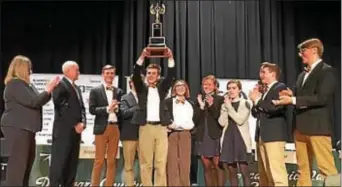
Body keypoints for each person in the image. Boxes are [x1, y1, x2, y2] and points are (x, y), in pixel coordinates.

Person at [273, 38, 338, 186]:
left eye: (303, 51)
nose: (300, 54)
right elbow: (300, 95)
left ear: (314, 50)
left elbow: (322, 98)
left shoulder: (327, 71)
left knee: (326, 169)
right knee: (303, 169)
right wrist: (290, 94)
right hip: (300, 128)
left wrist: (294, 100)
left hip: (318, 128)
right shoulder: (302, 75)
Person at [0, 55, 59, 186]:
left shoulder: (27, 86)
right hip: (18, 127)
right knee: (18, 165)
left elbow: (38, 101)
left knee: (27, 163)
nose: (31, 71)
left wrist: (50, 91)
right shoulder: (15, 84)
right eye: (28, 68)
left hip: (27, 128)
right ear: (21, 69)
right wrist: (48, 89)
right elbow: (34, 101)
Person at [131, 47, 175, 186]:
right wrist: (142, 57)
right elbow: (136, 74)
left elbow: (170, 75)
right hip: (145, 127)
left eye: (153, 73)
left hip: (161, 128)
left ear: (158, 76)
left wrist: (170, 58)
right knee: (146, 163)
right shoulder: (141, 88)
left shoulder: (162, 88)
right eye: (148, 73)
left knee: (161, 163)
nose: (150, 75)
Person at [249, 62, 289, 186]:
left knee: (276, 172)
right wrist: (255, 100)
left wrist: (257, 100)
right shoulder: (265, 91)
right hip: (262, 136)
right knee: (265, 173)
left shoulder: (280, 87)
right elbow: (256, 114)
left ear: (273, 74)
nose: (261, 75)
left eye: (264, 72)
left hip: (273, 136)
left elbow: (275, 108)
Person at [48, 61, 86, 187]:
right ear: (69, 71)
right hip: (64, 132)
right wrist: (75, 123)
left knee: (71, 164)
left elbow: (82, 108)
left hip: (75, 133)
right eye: (77, 69)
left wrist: (83, 123)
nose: (79, 72)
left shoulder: (77, 88)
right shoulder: (61, 85)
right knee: (59, 164)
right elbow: (60, 106)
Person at [89, 65, 124, 186]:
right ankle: (95, 185)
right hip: (101, 127)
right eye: (107, 73)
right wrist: (107, 109)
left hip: (115, 127)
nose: (110, 75)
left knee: (112, 161)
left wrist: (117, 108)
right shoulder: (95, 90)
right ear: (103, 75)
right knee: (99, 160)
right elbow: (92, 110)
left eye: (112, 73)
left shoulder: (119, 91)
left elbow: (121, 111)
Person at [218, 80, 252, 187]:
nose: (231, 90)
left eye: (234, 88)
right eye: (229, 88)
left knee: (244, 171)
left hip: (240, 139)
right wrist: (225, 108)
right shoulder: (225, 105)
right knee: (232, 173)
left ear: (239, 90)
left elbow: (240, 120)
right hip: (228, 138)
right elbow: (222, 122)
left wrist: (229, 107)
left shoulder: (245, 103)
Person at [165, 80, 198, 186]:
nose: (180, 88)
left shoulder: (190, 104)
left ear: (186, 88)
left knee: (185, 163)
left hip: (186, 134)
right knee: (172, 163)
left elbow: (194, 120)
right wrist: (166, 125)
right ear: (174, 89)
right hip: (172, 134)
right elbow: (163, 116)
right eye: (177, 86)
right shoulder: (168, 102)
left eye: (182, 86)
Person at [195, 75, 225, 186]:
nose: (206, 86)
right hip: (202, 135)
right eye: (204, 84)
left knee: (218, 166)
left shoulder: (220, 99)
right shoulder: (199, 99)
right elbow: (195, 120)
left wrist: (212, 105)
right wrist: (201, 107)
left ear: (215, 86)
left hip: (215, 135)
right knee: (207, 167)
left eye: (209, 84)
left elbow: (219, 117)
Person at [119, 75, 140, 187]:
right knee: (129, 165)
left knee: (146, 165)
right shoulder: (125, 97)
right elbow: (124, 113)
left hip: (144, 134)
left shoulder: (146, 97)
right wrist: (138, 107)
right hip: (129, 135)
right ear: (131, 83)